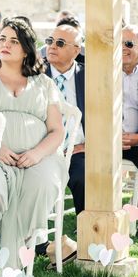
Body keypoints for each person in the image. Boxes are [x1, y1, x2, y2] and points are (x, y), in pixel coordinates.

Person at [0, 18, 66, 271]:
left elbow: (56, 131)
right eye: (2, 39)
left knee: (42, 184)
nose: (6, 45)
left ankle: (17, 249)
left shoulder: (45, 84)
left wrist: (36, 154)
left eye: (14, 41)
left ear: (26, 49)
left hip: (38, 158)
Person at [64, 25, 138, 241]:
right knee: (81, 166)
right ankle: (85, 222)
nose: (123, 48)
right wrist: (103, 139)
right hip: (104, 141)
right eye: (119, 43)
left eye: (129, 44)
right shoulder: (102, 72)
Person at [44, 24, 86, 218]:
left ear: (76, 50)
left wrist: (88, 145)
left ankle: (85, 225)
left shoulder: (89, 76)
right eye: (50, 41)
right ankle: (35, 234)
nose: (52, 46)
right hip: (42, 148)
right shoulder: (36, 75)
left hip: (78, 148)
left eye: (60, 43)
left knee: (83, 176)